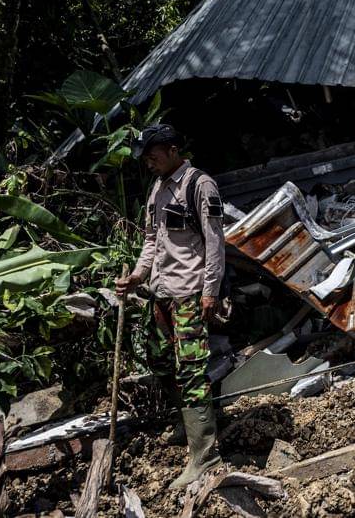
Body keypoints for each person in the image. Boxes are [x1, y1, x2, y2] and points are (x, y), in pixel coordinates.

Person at [116, 124, 226, 489]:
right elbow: (152, 239)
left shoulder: (200, 186)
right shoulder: (158, 188)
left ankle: (204, 455)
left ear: (174, 150)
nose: (149, 163)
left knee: (192, 372)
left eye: (153, 156)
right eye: (146, 158)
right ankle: (186, 422)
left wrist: (210, 291)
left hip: (190, 293)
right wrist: (137, 275)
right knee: (160, 360)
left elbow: (215, 243)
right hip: (160, 293)